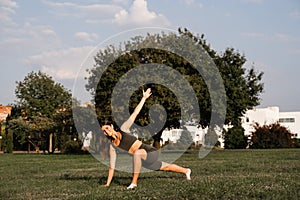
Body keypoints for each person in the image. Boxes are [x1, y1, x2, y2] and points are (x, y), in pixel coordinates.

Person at [100, 88, 191, 189]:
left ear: (112, 126)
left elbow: (135, 114)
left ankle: (134, 183)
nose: (106, 132)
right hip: (141, 160)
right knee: (165, 167)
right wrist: (107, 184)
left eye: (107, 128)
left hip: (150, 152)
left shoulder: (123, 129)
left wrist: (143, 98)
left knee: (137, 152)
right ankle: (186, 171)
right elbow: (112, 167)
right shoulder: (113, 146)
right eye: (104, 131)